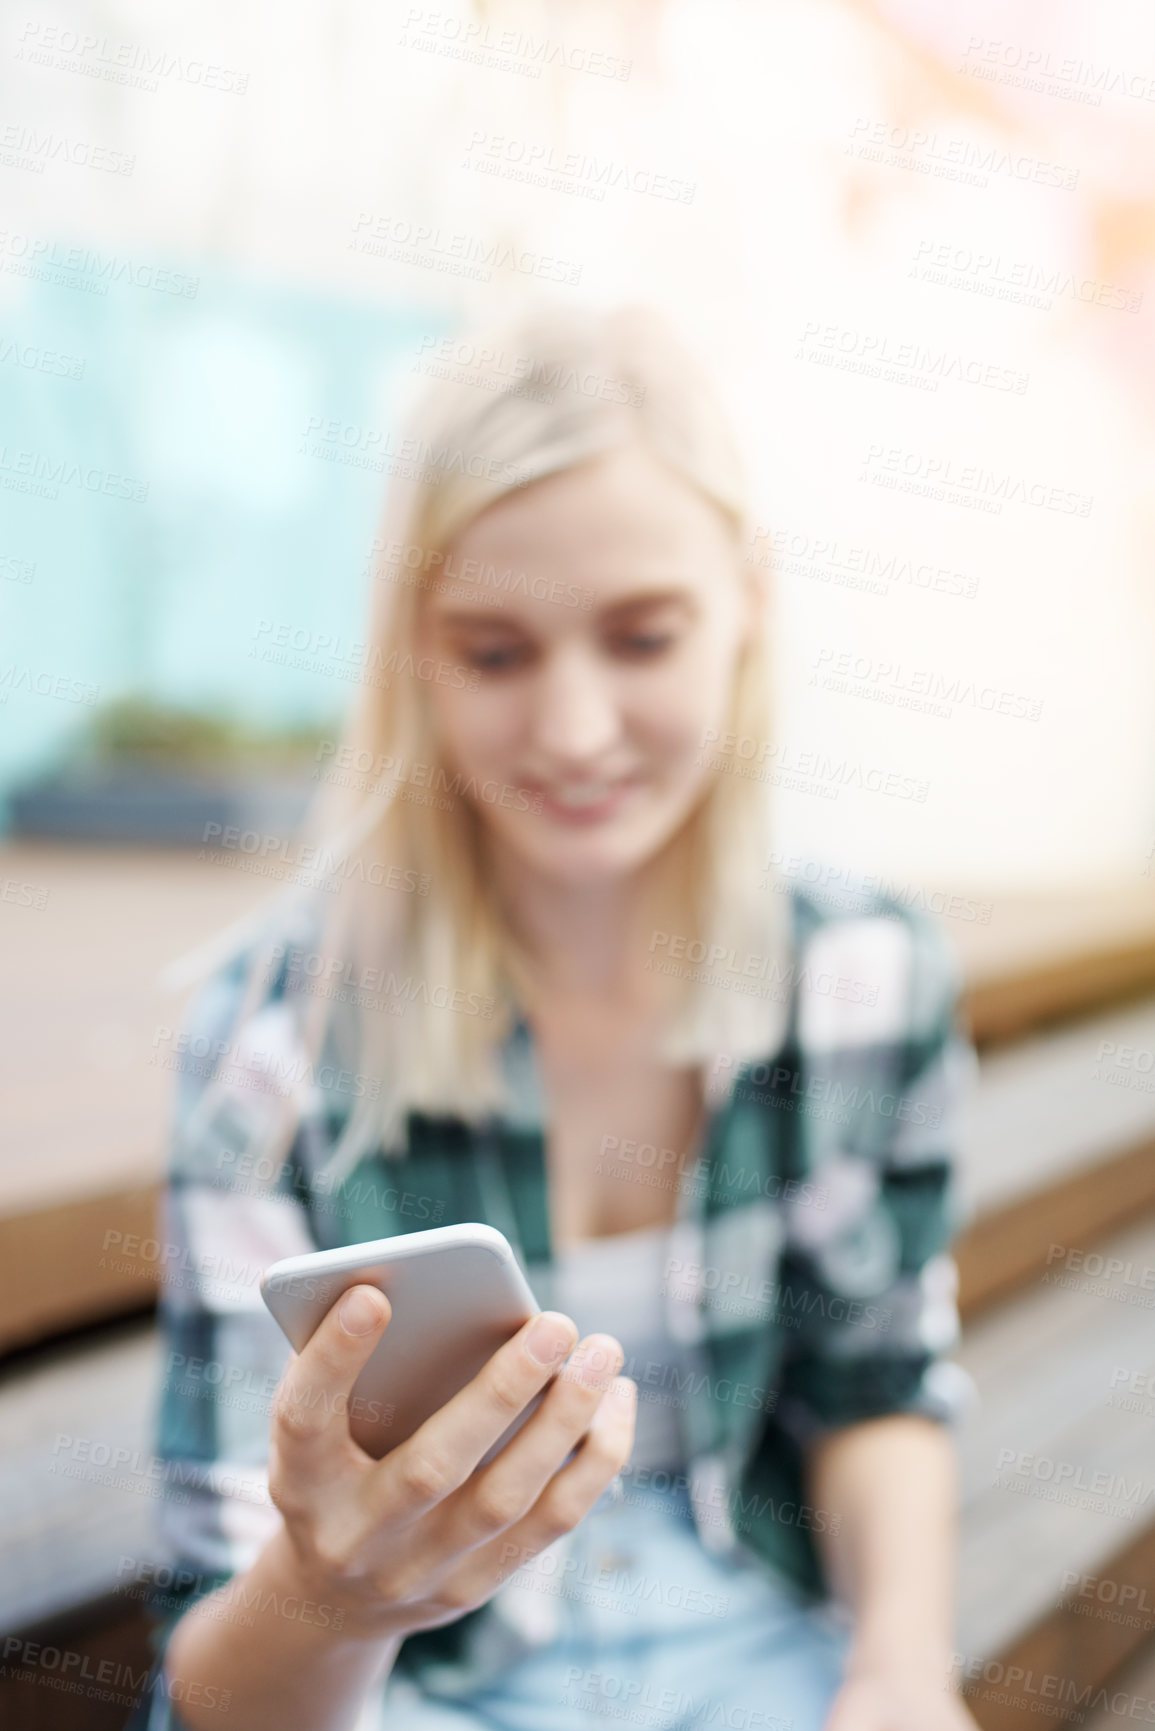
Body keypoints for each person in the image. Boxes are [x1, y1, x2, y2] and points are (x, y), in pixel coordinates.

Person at [128, 304, 978, 1731]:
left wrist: (903, 1672)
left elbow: (878, 1378)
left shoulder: (864, 974)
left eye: (642, 638)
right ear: (416, 650)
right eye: (496, 653)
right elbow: (212, 1685)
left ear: (749, 603)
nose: (576, 729)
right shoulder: (277, 1036)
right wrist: (333, 1598)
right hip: (412, 1674)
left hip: (747, 1624)